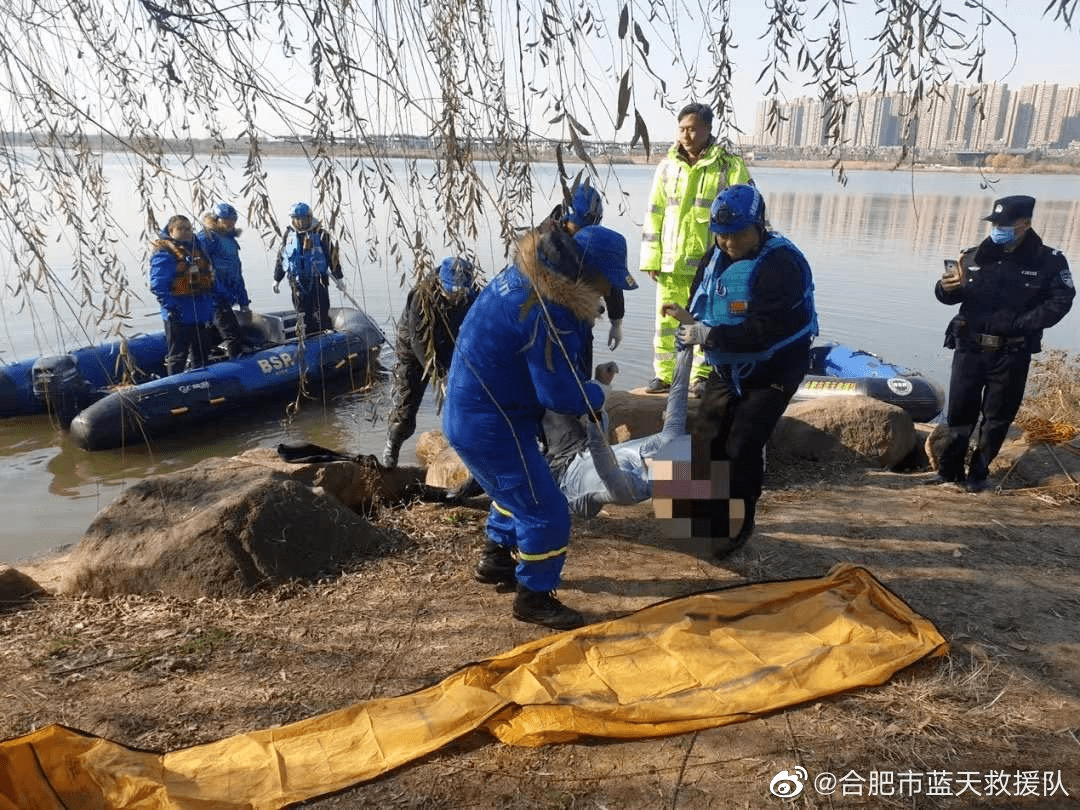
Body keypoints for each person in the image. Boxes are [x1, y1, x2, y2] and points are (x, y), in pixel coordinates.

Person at [443, 224, 637, 630]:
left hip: (479, 409)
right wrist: (599, 390)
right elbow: (562, 397)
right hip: (491, 420)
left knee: (516, 486)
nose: (606, 293)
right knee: (546, 510)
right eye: (605, 284)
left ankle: (496, 560)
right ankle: (533, 597)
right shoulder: (549, 311)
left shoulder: (525, 278)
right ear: (586, 274)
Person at [673, 183, 818, 558]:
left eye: (737, 233)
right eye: (721, 235)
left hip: (773, 368)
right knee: (703, 438)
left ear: (758, 225)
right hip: (726, 366)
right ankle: (692, 520)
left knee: (741, 446)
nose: (728, 243)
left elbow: (762, 333)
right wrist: (688, 327)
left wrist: (706, 334)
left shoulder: (782, 264)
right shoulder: (714, 257)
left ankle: (737, 526)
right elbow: (698, 303)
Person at [934, 194, 1074, 492]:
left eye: (1004, 224)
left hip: (1012, 352)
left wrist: (1020, 325)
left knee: (997, 419)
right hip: (969, 348)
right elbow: (948, 295)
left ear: (1024, 224)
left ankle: (978, 477)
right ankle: (949, 474)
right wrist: (945, 288)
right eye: (995, 222)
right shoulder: (973, 256)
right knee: (959, 414)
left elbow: (1061, 301)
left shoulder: (1048, 261)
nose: (997, 228)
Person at [639, 102, 752, 396]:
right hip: (671, 263)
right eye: (682, 129)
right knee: (666, 322)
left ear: (708, 130)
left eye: (692, 129)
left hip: (711, 263)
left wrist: (735, 258)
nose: (686, 135)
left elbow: (744, 211)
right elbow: (655, 213)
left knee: (706, 319)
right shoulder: (667, 167)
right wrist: (651, 257)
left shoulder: (728, 166)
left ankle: (700, 376)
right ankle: (664, 375)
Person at [545, 343, 693, 518]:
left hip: (562, 479)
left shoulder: (628, 490)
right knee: (552, 392)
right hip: (581, 449)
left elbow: (600, 449)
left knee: (548, 403)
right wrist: (686, 345)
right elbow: (678, 391)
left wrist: (600, 390)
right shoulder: (670, 442)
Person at [381, 257, 480, 470]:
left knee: (466, 403)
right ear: (441, 284)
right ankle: (392, 446)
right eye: (452, 291)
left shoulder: (469, 294)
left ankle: (469, 455)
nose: (456, 297)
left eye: (460, 292)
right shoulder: (421, 296)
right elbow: (420, 343)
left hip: (449, 345)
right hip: (415, 350)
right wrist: (438, 375)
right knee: (407, 410)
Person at [536, 177, 625, 358]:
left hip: (583, 321)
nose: (587, 232)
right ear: (566, 218)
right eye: (582, 227)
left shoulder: (589, 237)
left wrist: (616, 321)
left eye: (593, 226)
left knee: (583, 371)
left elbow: (608, 272)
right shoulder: (544, 243)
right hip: (549, 322)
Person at [149, 214, 217, 376]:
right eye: (181, 229)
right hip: (178, 313)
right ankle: (175, 387)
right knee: (178, 355)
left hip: (198, 312)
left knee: (201, 352)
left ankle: (201, 382)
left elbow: (211, 278)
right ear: (171, 231)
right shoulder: (165, 254)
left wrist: (221, 296)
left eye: (188, 228)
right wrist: (171, 307)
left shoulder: (196, 250)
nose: (186, 232)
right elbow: (158, 285)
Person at [273, 202, 346, 338]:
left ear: (309, 218)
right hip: (296, 281)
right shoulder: (288, 235)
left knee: (321, 308)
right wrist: (277, 279)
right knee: (302, 311)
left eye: (303, 219)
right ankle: (307, 335)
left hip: (318, 279)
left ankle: (324, 331)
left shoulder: (321, 234)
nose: (300, 222)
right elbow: (281, 258)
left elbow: (332, 257)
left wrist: (339, 278)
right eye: (297, 219)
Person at [198, 201, 251, 359]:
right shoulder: (207, 238)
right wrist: (220, 292)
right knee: (232, 335)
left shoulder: (229, 240)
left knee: (212, 332)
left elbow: (237, 273)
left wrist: (244, 301)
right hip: (214, 297)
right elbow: (204, 269)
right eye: (225, 220)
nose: (229, 224)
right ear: (216, 219)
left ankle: (207, 358)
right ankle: (237, 369)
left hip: (226, 295)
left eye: (232, 221)